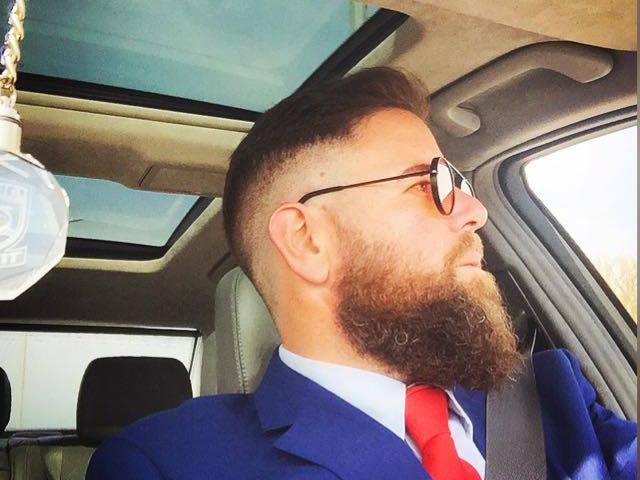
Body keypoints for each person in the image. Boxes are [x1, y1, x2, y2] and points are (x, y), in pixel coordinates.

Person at [86, 67, 637, 480]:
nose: (475, 212)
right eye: (429, 183)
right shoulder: (171, 464)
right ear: (307, 240)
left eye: (461, 185)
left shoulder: (551, 396)